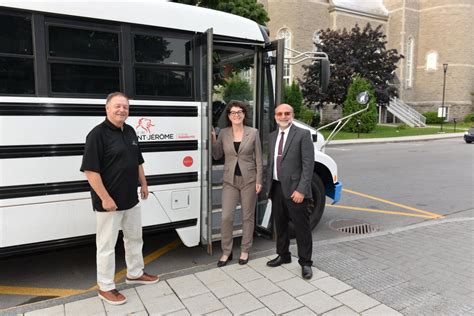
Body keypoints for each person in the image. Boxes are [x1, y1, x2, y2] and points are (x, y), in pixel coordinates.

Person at [80, 92, 159, 305]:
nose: (122, 110)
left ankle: (135, 273)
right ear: (107, 109)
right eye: (117, 106)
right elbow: (90, 172)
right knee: (106, 245)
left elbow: (138, 161)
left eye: (125, 106)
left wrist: (143, 183)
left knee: (134, 238)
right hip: (109, 203)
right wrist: (105, 198)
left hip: (130, 199)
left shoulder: (130, 131)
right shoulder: (97, 135)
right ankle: (105, 287)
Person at [266, 103, 315, 279]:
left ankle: (306, 263)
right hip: (277, 187)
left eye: (287, 113)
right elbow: (271, 164)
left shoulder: (302, 134)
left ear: (292, 115)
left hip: (296, 190)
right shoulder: (272, 136)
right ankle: (284, 255)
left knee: (301, 227)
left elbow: (308, 165)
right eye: (280, 113)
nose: (283, 116)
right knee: (280, 224)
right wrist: (269, 188)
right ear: (275, 116)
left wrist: (302, 190)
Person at [211, 100, 263, 267]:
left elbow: (259, 160)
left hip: (249, 180)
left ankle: (245, 250)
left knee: (248, 217)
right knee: (226, 217)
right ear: (229, 116)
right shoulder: (224, 133)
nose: (236, 115)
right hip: (230, 180)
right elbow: (217, 155)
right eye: (233, 112)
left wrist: (259, 180)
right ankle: (226, 252)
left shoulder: (253, 133)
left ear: (244, 114)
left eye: (239, 112)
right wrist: (213, 140)